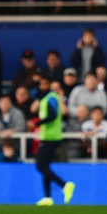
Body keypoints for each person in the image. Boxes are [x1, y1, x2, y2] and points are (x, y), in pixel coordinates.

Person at [26, 77, 75, 206]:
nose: (42, 86)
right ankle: (47, 197)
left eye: (45, 83)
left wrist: (36, 123)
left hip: (51, 136)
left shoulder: (51, 97)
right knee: (45, 166)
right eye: (41, 84)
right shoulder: (46, 98)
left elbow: (53, 116)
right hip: (48, 136)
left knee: (40, 165)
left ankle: (65, 185)